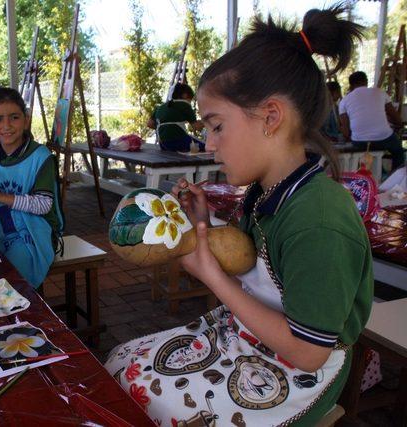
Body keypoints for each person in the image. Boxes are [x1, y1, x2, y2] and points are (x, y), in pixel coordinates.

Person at [105, 6, 373, 426]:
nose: (209, 145)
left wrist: (211, 276)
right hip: (251, 338)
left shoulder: (319, 220)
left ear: (270, 117)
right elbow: (250, 265)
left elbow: (308, 351)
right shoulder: (265, 193)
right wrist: (203, 225)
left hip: (299, 372)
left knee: (148, 401)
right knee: (122, 362)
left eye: (216, 126)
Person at [0, 87, 63, 289]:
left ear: (26, 119)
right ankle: (3, 314)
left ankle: (28, 312)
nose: (7, 126)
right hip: (1, 231)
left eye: (14, 117)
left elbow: (44, 205)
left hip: (37, 233)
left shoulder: (41, 156)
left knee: (11, 274)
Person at [339, 71, 404, 171]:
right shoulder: (380, 92)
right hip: (384, 138)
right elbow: (397, 119)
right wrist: (397, 125)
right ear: (366, 81)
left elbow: (346, 132)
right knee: (398, 151)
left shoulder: (344, 101)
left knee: (364, 154)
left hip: (359, 142)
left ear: (351, 85)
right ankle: (394, 179)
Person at [148, 83, 204, 152]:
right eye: (190, 100)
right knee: (205, 147)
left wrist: (165, 129)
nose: (190, 102)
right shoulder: (185, 105)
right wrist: (207, 120)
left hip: (163, 145)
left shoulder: (160, 107)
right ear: (185, 95)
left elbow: (149, 124)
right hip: (180, 142)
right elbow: (196, 127)